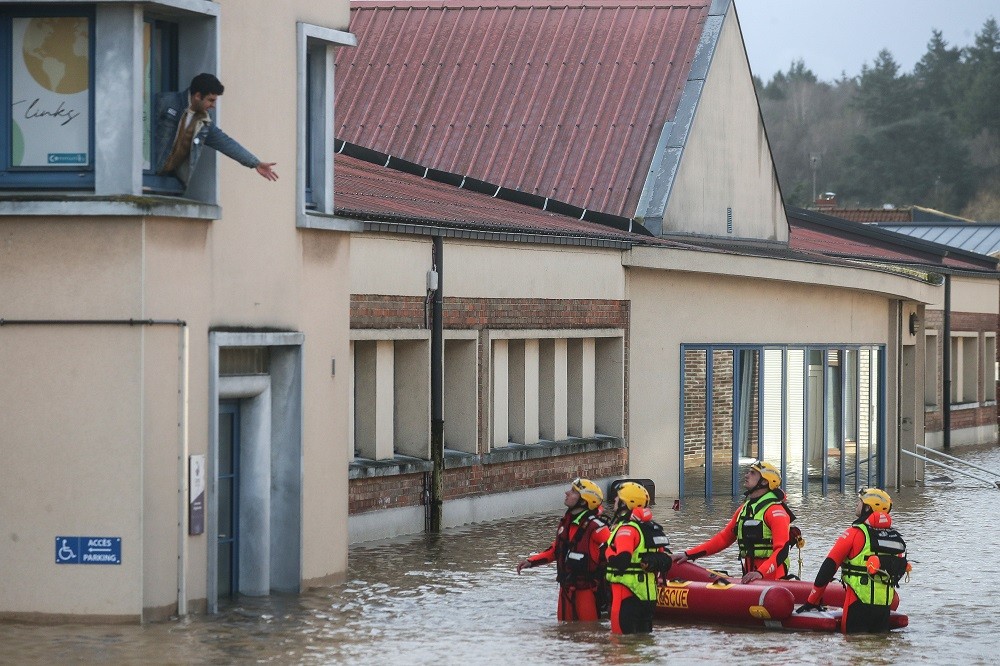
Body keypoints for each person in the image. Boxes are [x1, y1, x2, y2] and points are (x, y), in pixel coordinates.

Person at [799, 487, 908, 633]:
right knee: (879, 650)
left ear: (868, 508)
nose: (857, 505)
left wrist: (811, 601)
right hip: (883, 608)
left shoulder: (854, 533)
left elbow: (829, 567)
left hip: (857, 604)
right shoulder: (895, 539)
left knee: (853, 649)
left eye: (860, 502)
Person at [673, 460, 796, 583]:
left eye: (752, 473)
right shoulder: (744, 509)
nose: (746, 475)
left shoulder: (776, 511)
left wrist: (760, 573)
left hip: (774, 579)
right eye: (748, 472)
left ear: (764, 481)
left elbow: (782, 550)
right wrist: (688, 554)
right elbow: (723, 539)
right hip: (750, 578)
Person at [154, 73, 278, 187]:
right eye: (211, 100)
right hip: (146, 174)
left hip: (165, 181)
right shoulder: (165, 102)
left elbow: (225, 142)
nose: (213, 105)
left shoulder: (204, 121)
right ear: (197, 96)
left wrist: (255, 163)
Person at [517, 478, 610, 621]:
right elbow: (557, 550)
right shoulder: (566, 522)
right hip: (565, 589)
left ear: (584, 500)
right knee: (563, 634)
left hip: (586, 591)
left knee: (589, 636)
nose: (567, 493)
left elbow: (615, 551)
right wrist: (531, 562)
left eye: (573, 491)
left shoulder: (597, 527)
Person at [604, 481, 672, 634]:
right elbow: (663, 558)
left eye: (617, 498)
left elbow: (622, 562)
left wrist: (607, 551)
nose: (614, 501)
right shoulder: (652, 529)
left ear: (625, 503)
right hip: (648, 598)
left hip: (627, 595)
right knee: (645, 647)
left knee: (620, 648)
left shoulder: (627, 529)